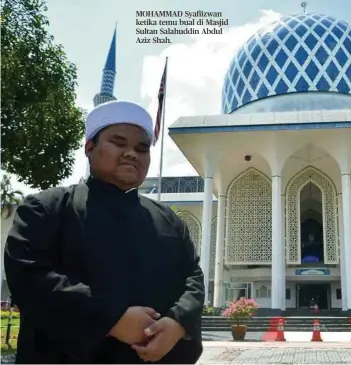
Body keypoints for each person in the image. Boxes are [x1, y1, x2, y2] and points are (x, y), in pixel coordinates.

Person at [4, 100, 205, 364]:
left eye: (141, 148)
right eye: (119, 143)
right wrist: (112, 319)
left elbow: (192, 275)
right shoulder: (48, 208)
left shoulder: (167, 220)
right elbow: (29, 278)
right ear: (90, 147)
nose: (131, 153)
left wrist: (178, 323)